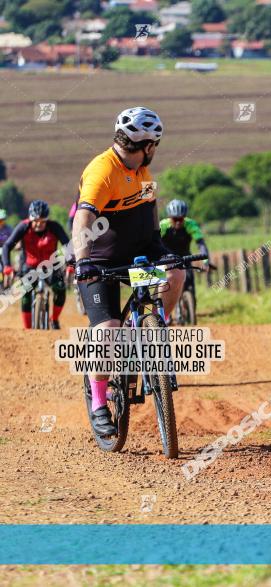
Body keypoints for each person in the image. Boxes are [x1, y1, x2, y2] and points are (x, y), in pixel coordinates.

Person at [72, 106, 184, 437]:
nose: (155, 152)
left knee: (176, 273)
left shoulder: (144, 175)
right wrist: (82, 261)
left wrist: (162, 252)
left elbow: (150, 220)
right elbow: (83, 218)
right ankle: (99, 401)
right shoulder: (102, 170)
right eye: (155, 146)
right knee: (108, 329)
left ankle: (154, 327)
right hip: (100, 261)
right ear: (147, 146)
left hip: (138, 253)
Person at [1, 200, 72, 329]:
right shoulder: (23, 227)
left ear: (47, 219)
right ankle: (28, 329)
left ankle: (54, 319)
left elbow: (68, 246)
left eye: (42, 221)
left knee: (60, 289)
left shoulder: (54, 227)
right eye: (36, 221)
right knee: (25, 293)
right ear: (30, 218)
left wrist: (70, 264)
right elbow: (7, 246)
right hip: (29, 266)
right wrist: (7, 266)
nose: (39, 224)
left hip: (51, 267)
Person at [160, 199, 209, 308]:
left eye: (180, 219)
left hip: (185, 257)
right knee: (165, 284)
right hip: (167, 259)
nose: (178, 222)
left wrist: (206, 261)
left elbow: (201, 244)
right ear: (169, 217)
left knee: (190, 283)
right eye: (175, 219)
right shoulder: (163, 225)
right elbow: (155, 242)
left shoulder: (190, 224)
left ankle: (191, 308)